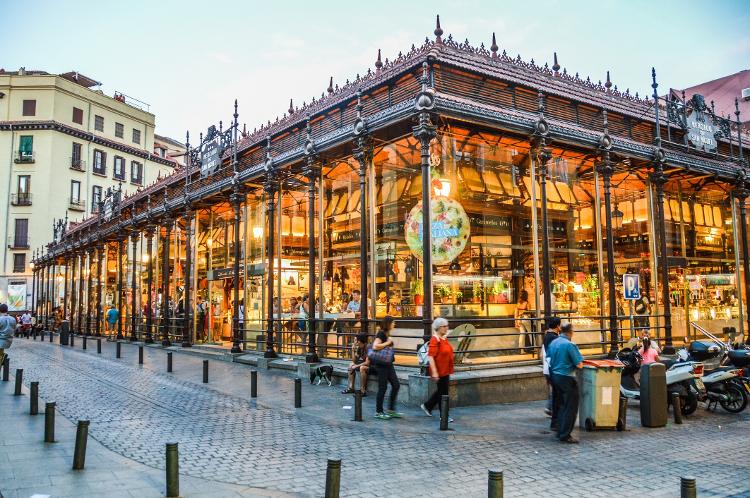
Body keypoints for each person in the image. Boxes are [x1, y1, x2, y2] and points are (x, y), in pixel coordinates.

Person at [547, 323, 584, 444]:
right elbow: (579, 364)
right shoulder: (570, 345)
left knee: (562, 405)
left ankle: (560, 430)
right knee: (570, 407)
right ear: (570, 332)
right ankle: (565, 434)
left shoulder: (554, 343)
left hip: (555, 376)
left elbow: (548, 358)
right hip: (567, 377)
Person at [420, 317, 455, 420]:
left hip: (445, 369)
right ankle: (444, 416)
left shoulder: (444, 338)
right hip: (439, 371)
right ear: (438, 328)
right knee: (443, 393)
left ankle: (427, 406)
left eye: (446, 326)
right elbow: (431, 357)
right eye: (444, 326)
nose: (446, 328)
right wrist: (435, 372)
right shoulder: (435, 339)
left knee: (441, 391)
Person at [371, 315, 401, 420]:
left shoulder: (387, 333)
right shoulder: (381, 333)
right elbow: (375, 346)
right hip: (382, 365)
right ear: (388, 323)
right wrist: (388, 342)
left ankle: (391, 410)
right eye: (393, 322)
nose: (394, 324)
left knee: (396, 385)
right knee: (382, 388)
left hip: (388, 364)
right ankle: (379, 411)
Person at [542, 316, 562, 418]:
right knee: (556, 390)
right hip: (552, 368)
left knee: (554, 389)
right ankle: (551, 408)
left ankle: (550, 408)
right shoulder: (554, 338)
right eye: (560, 325)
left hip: (547, 368)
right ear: (557, 326)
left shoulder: (547, 336)